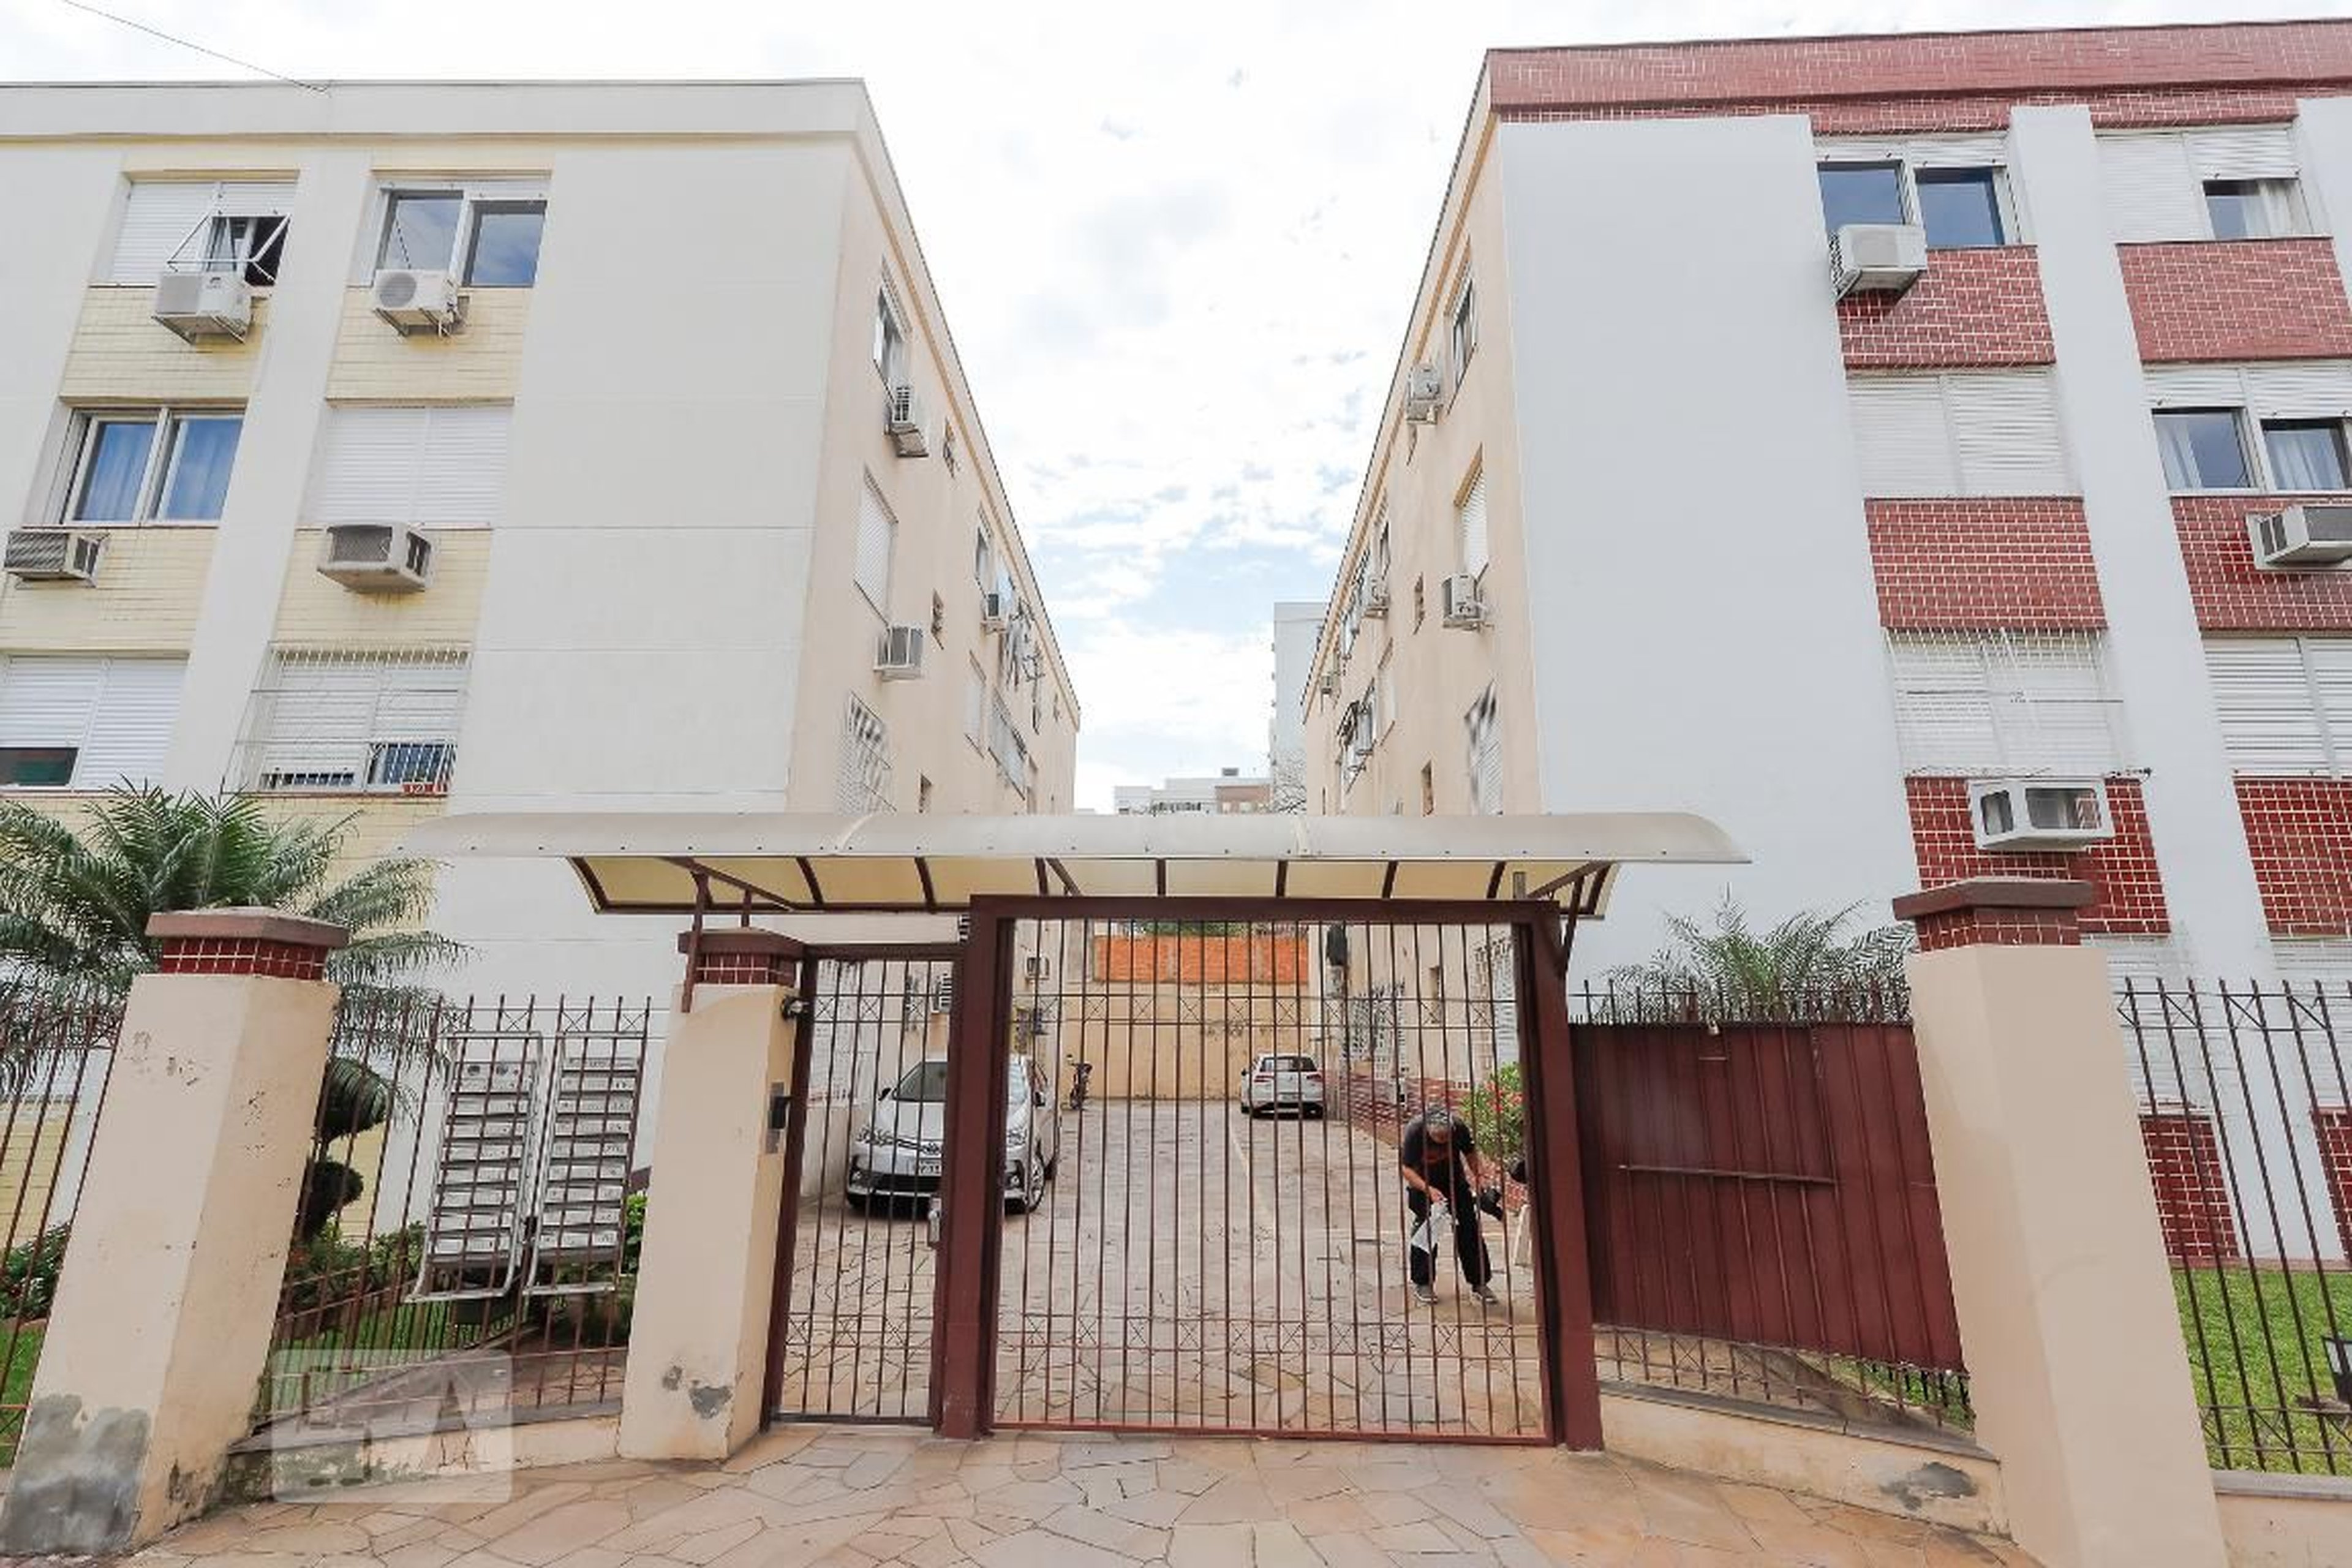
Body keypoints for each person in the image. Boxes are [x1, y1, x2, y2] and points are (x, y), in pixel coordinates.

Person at [1397, 1106, 1496, 1306]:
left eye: (1446, 1138)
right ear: (1428, 1131)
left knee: (1469, 1230)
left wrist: (1480, 1177)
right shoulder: (1415, 1132)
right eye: (1438, 1138)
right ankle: (1423, 1283)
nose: (1442, 1141)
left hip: (1455, 1185)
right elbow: (1406, 1169)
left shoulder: (1459, 1128)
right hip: (1423, 1186)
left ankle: (1480, 1283)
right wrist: (1429, 1190)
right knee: (1426, 1234)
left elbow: (1470, 1154)